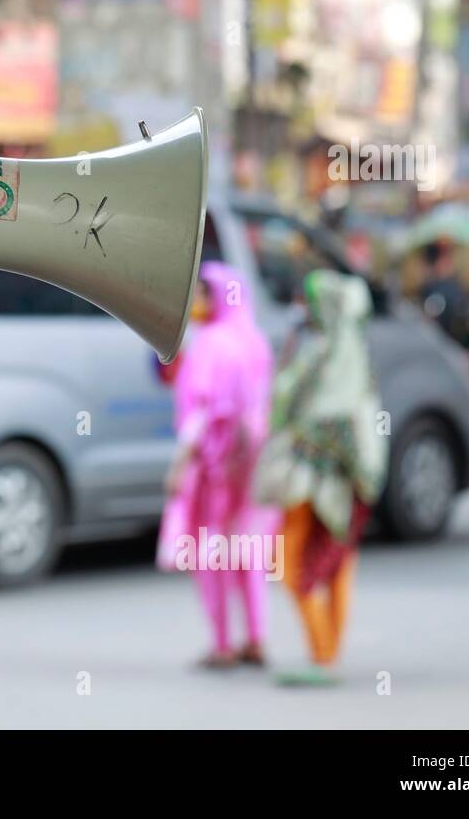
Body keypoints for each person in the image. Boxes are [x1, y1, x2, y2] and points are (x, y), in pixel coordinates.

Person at [254, 270, 387, 686]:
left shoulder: (325, 357)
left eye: (307, 302)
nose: (301, 309)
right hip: (339, 485)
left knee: (298, 565)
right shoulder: (348, 354)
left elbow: (285, 407)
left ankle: (323, 654)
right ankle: (326, 652)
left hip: (314, 482)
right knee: (336, 563)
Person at [157, 262, 277, 668]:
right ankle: (256, 638)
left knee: (212, 557)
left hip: (215, 469)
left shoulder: (209, 344)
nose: (196, 303)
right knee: (249, 552)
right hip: (252, 466)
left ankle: (223, 644)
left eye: (203, 294)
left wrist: (179, 466)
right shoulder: (256, 341)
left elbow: (200, 414)